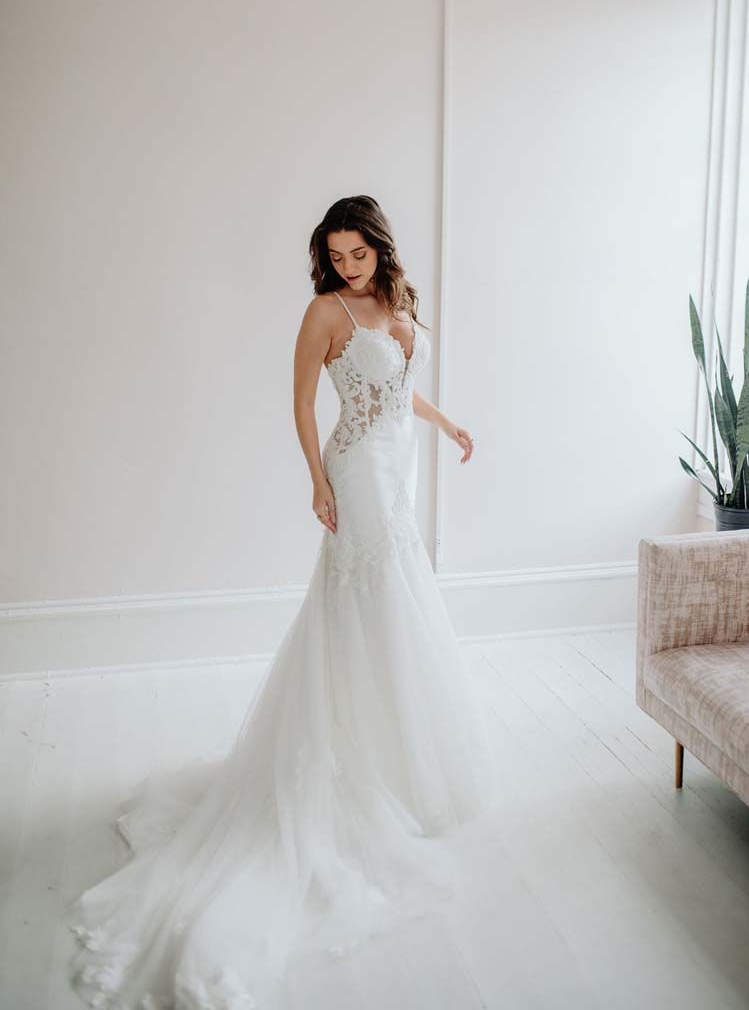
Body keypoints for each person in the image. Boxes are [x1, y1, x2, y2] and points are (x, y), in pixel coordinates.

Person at [66, 195, 496, 1009]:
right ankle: (352, 766)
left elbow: (401, 388)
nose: (347, 266)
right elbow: (304, 403)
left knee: (402, 591)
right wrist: (317, 480)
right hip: (359, 471)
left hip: (401, 463)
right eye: (336, 255)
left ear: (379, 247)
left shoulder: (398, 301)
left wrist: (448, 426)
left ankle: (394, 759)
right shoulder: (323, 311)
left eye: (357, 253)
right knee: (374, 595)